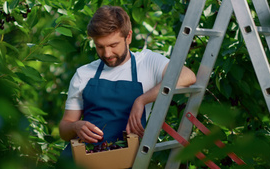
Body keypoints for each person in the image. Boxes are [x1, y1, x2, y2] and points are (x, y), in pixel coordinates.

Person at [58, 5, 196, 160]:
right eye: (100, 47)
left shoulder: (147, 62)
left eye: (113, 45)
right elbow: (64, 129)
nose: (107, 54)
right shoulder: (83, 74)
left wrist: (141, 100)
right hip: (79, 161)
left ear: (128, 37)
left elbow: (187, 76)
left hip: (123, 159)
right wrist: (75, 127)